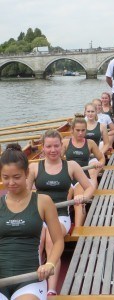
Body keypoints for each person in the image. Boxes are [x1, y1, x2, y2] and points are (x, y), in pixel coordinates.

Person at [27, 130, 95, 296]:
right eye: (48, 146)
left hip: (60, 215)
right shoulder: (34, 167)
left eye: (56, 146)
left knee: (51, 239)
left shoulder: (71, 166)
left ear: (62, 147)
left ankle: (51, 289)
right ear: (42, 148)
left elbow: (90, 186)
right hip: (39, 215)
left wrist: (82, 197)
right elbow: (24, 194)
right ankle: (34, 281)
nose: (52, 150)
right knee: (37, 241)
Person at [0, 143, 64, 300]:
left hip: (30, 278)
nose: (11, 183)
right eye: (5, 178)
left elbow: (58, 241)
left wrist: (50, 263)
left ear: (27, 173)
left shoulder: (43, 202)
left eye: (16, 177)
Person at [62, 114, 105, 226]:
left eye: (83, 130)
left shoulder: (90, 143)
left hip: (82, 178)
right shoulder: (66, 143)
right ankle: (64, 221)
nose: (80, 133)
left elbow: (101, 158)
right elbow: (58, 160)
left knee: (78, 202)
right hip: (67, 177)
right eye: (77, 130)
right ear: (72, 130)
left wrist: (99, 164)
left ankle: (78, 229)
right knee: (64, 202)